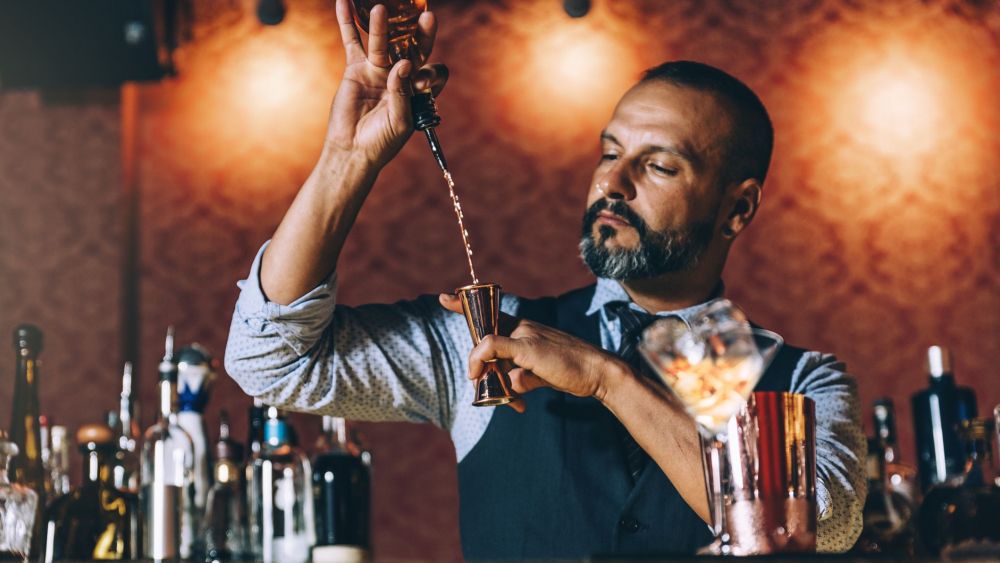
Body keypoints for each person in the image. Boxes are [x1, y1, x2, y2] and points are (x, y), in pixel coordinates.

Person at [225, 0, 866, 557]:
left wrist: (608, 380)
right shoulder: (487, 339)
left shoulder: (801, 381)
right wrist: (348, 158)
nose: (612, 183)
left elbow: (820, 527)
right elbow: (268, 361)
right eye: (610, 152)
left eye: (659, 166)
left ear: (738, 209)